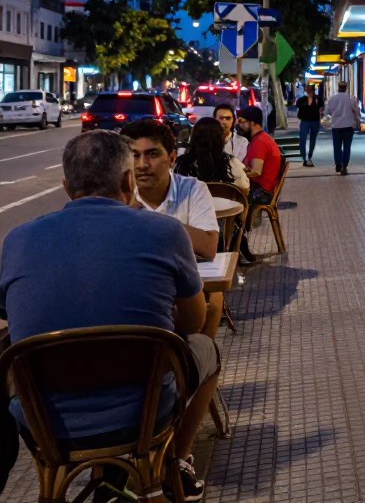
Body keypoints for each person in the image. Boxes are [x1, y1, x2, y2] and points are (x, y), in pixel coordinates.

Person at [0, 130, 219, 501]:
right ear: (127, 180)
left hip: (45, 424)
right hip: (144, 413)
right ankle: (175, 463)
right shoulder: (164, 231)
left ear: (67, 187)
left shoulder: (17, 240)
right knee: (204, 345)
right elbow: (193, 322)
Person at [122, 119, 224, 342]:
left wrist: (145, 219)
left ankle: (192, 363)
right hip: (132, 291)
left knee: (215, 300)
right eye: (134, 155)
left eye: (152, 154)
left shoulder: (192, 189)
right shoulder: (116, 194)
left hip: (182, 291)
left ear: (172, 158)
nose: (141, 164)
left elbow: (208, 247)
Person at [175, 117, 250, 194]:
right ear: (221, 139)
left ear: (193, 138)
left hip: (193, 205)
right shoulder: (231, 163)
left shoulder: (180, 164)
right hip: (227, 206)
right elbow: (244, 187)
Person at [325, 81, 361, 175]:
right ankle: (344, 167)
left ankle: (338, 164)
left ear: (338, 87)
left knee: (337, 147)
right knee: (347, 147)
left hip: (336, 126)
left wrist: (334, 114)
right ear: (346, 88)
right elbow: (356, 110)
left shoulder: (333, 98)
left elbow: (327, 111)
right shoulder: (351, 99)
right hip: (348, 126)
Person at [295, 89, 323, 168]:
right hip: (304, 121)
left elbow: (321, 108)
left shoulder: (317, 99)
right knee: (302, 139)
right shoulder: (301, 100)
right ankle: (304, 158)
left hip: (315, 122)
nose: (310, 92)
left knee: (312, 139)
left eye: (311, 90)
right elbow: (298, 110)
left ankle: (309, 156)